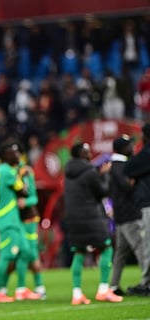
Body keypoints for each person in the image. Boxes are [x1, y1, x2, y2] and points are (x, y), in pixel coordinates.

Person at [64, 142, 122, 305]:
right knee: (106, 247)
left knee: (79, 252)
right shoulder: (90, 171)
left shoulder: (68, 172)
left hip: (73, 219)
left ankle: (77, 294)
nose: (90, 153)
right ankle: (103, 290)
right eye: (87, 151)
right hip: (91, 217)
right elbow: (102, 191)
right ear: (81, 154)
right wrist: (104, 174)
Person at [0, 141, 39, 303]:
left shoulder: (4, 170)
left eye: (19, 152)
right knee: (7, 255)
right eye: (14, 153)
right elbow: (23, 190)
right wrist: (23, 175)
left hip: (13, 218)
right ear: (6, 156)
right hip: (7, 218)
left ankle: (21, 289)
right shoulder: (7, 171)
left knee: (25, 251)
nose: (18, 156)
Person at [109, 135, 144, 295]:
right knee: (141, 248)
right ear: (122, 149)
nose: (133, 148)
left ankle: (113, 286)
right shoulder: (120, 166)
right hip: (128, 213)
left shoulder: (115, 165)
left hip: (122, 214)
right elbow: (126, 186)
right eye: (130, 145)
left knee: (121, 252)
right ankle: (147, 283)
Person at [124, 123, 150, 296]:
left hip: (148, 204)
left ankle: (147, 283)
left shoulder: (147, 152)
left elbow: (129, 168)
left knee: (148, 245)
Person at [17, 161, 46, 298]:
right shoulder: (9, 175)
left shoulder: (26, 173)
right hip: (17, 221)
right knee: (23, 253)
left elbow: (34, 198)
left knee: (31, 252)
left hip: (30, 220)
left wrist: (25, 202)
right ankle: (23, 287)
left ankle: (38, 286)